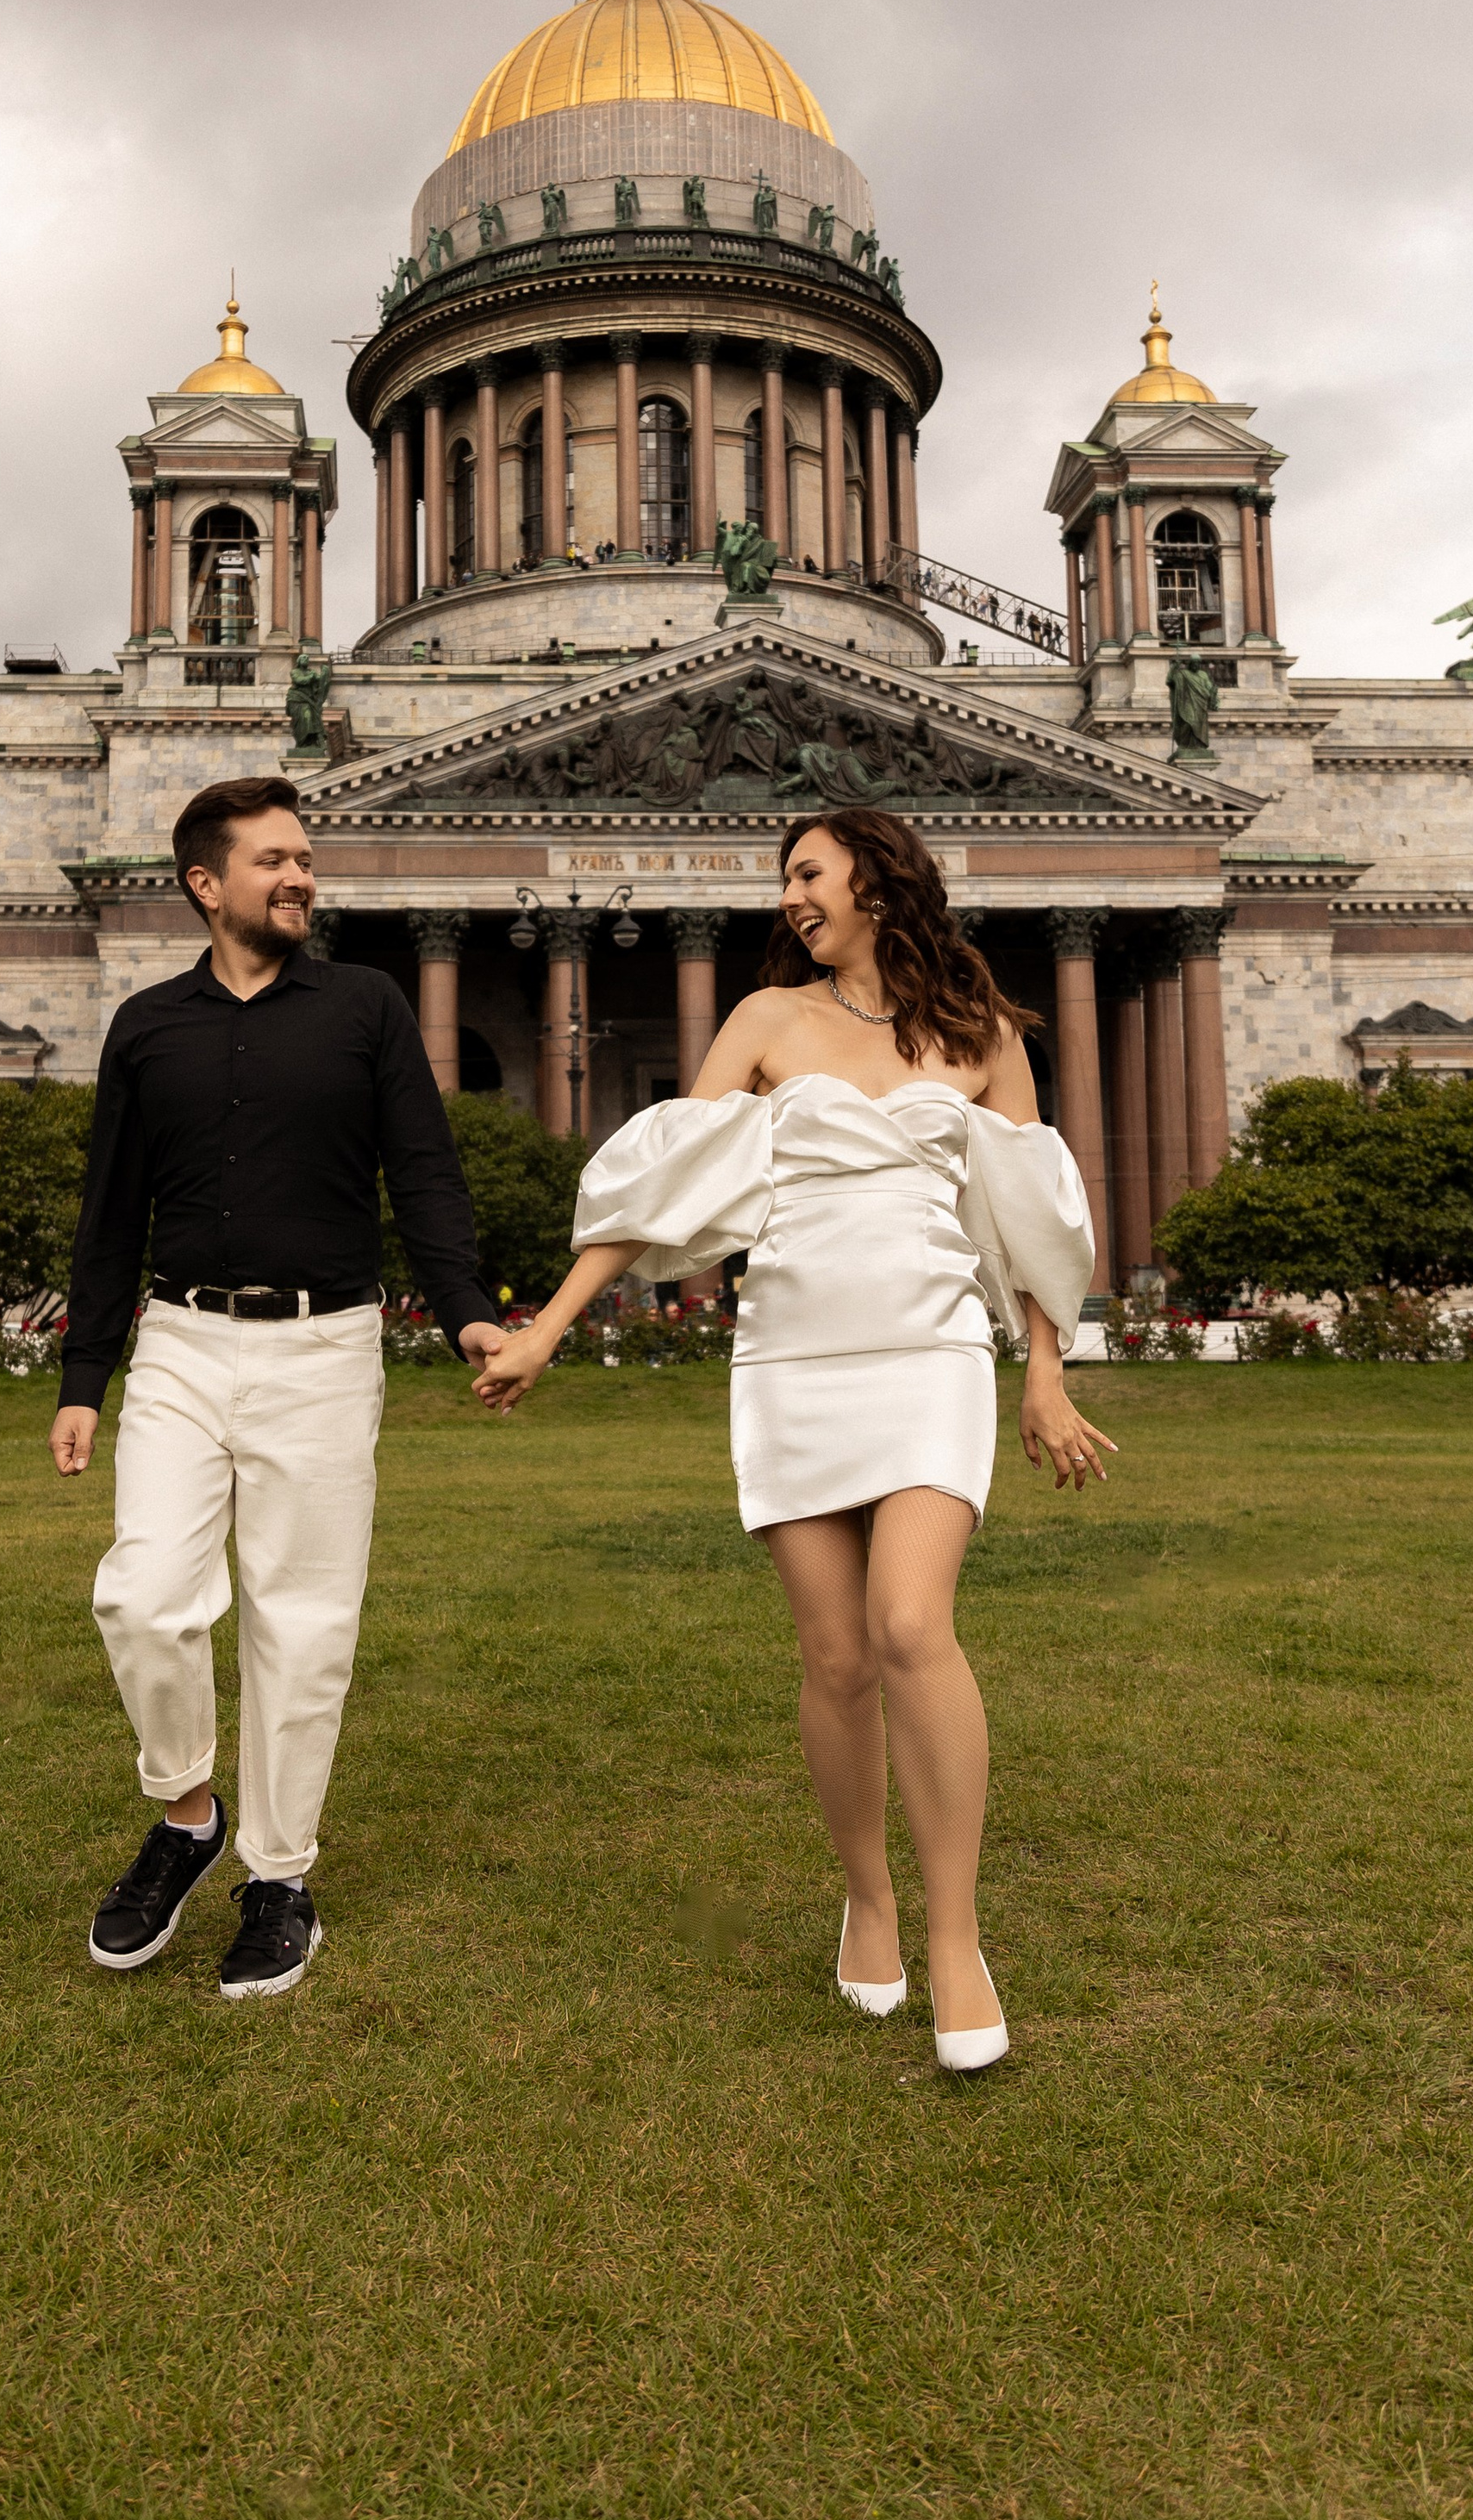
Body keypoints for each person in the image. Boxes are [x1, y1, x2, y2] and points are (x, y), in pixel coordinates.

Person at [474, 806, 1112, 2073]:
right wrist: (545, 1326)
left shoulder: (985, 1035)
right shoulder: (765, 1022)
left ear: (876, 880)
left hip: (929, 1353)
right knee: (835, 1659)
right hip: (791, 1359)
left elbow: (1028, 1218)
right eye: (784, 879)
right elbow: (672, 1186)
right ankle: (868, 1901)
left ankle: (958, 1939)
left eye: (807, 872)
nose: (789, 897)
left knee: (911, 1628)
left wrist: (1045, 1373)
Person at [50, 776, 505, 2001]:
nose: (301, 877)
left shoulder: (365, 1007)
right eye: (274, 861)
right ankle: (189, 1814)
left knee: (301, 1625)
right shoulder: (146, 1028)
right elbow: (110, 1212)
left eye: (306, 859)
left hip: (322, 1350)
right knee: (144, 1599)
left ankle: (277, 1879)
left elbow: (424, 1170)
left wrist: (465, 1310)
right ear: (207, 885)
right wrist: (83, 1372)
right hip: (182, 1348)